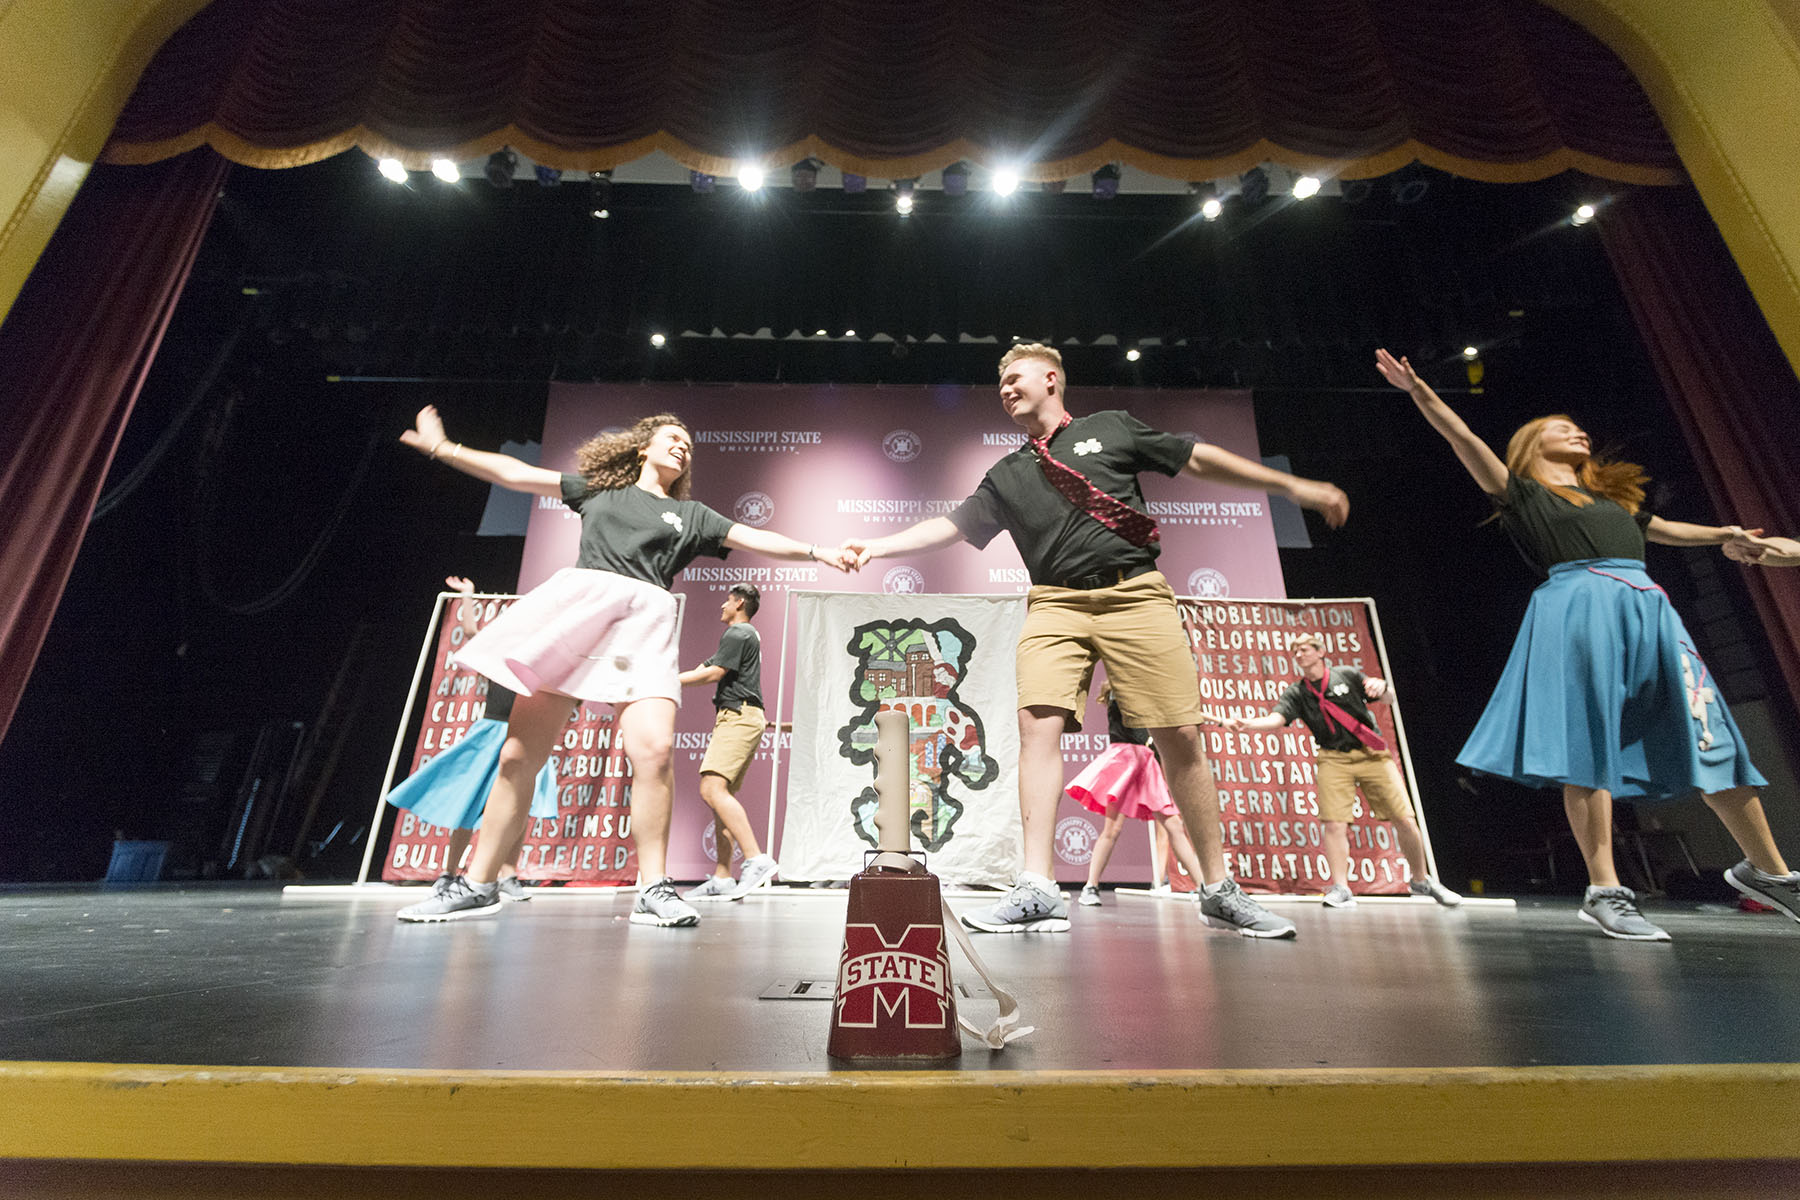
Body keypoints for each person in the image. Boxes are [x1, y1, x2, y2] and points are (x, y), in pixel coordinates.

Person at [845, 342, 1350, 937]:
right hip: (1055, 602)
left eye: (1015, 378)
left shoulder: (1109, 429)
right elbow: (953, 525)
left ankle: (1219, 888)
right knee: (1037, 725)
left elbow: (1195, 458)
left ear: (1051, 379)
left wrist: (1291, 488)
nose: (1005, 389)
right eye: (1000, 383)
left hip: (1134, 592)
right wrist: (877, 546)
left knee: (1179, 733)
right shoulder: (1007, 474)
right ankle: (1036, 887)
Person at [1376, 347, 1800, 939]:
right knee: (1589, 742)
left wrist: (1727, 535)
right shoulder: (1522, 494)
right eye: (1559, 429)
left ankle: (1770, 873)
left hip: (1647, 608)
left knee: (1710, 731)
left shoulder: (1614, 504)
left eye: (1577, 427)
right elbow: (1463, 438)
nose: (1577, 432)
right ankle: (1605, 888)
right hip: (1578, 608)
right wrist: (1420, 392)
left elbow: (1666, 531)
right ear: (1528, 449)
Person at [394, 407, 853, 924]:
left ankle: (653, 888)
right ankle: (477, 885)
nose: (682, 446)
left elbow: (756, 537)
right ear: (643, 448)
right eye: (672, 438)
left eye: (688, 443)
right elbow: (516, 475)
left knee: (655, 752)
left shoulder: (694, 515)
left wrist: (820, 551)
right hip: (578, 611)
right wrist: (442, 447)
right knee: (518, 756)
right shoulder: (598, 490)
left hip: (646, 624)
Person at [1223, 630, 1461, 910]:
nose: (1300, 655)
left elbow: (1388, 698)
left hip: (1372, 755)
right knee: (1334, 823)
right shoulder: (1297, 692)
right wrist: (1247, 724)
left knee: (1405, 818)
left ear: (1320, 652)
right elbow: (1277, 719)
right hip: (1333, 758)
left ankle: (1421, 880)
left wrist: (1380, 686)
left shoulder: (1346, 675)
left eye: (1305, 649)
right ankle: (1341, 887)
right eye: (1296, 652)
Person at [383, 575, 557, 901]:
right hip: (490, 733)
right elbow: (471, 631)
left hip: (525, 736)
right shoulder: (499, 654)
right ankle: (449, 873)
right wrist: (468, 595)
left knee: (519, 808)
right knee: (468, 805)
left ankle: (508, 874)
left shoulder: (541, 658)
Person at [679, 582, 779, 901]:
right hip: (739, 716)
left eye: (727, 600)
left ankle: (756, 859)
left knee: (711, 789)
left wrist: (667, 680)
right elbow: (705, 667)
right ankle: (723, 876)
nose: (722, 605)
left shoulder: (738, 633)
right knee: (720, 794)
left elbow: (713, 674)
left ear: (738, 602)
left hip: (738, 716)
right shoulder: (742, 637)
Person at [1067, 688, 1208, 906]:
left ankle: (1204, 888)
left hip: (1145, 761)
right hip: (1123, 760)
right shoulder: (1119, 691)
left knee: (1174, 825)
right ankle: (1091, 886)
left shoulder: (1147, 689)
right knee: (1112, 829)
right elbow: (1139, 718)